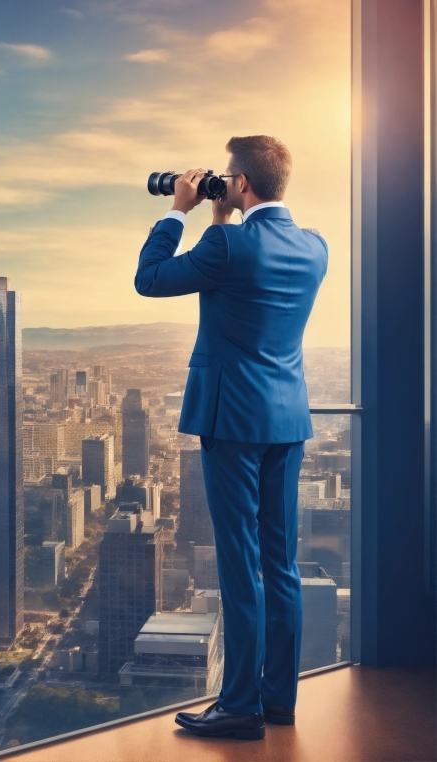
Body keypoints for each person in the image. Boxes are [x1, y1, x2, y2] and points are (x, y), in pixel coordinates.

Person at [134, 135, 328, 742]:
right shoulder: (315, 247)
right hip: (286, 423)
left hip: (231, 424)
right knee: (283, 567)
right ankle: (280, 703)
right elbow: (247, 277)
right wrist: (220, 218)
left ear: (240, 183)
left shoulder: (225, 243)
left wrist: (178, 211)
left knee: (241, 566)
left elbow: (150, 278)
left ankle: (239, 705)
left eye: (225, 177)